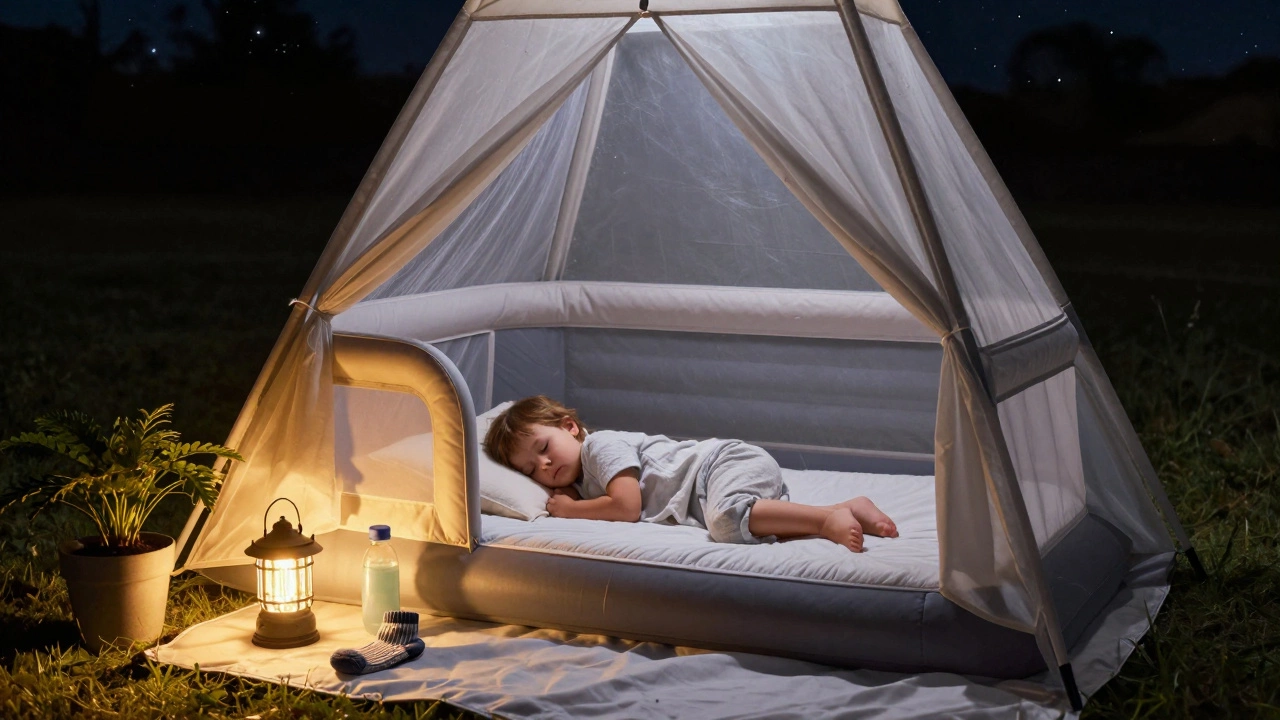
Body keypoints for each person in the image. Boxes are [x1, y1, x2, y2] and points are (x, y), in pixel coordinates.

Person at [483, 395, 898, 553]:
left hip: (723, 464)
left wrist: (570, 512)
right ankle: (846, 508)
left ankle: (826, 520)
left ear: (569, 427)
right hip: (712, 488)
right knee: (746, 523)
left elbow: (626, 507)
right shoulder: (579, 481)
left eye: (543, 449)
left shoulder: (600, 447)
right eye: (528, 470)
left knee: (727, 524)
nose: (544, 466)